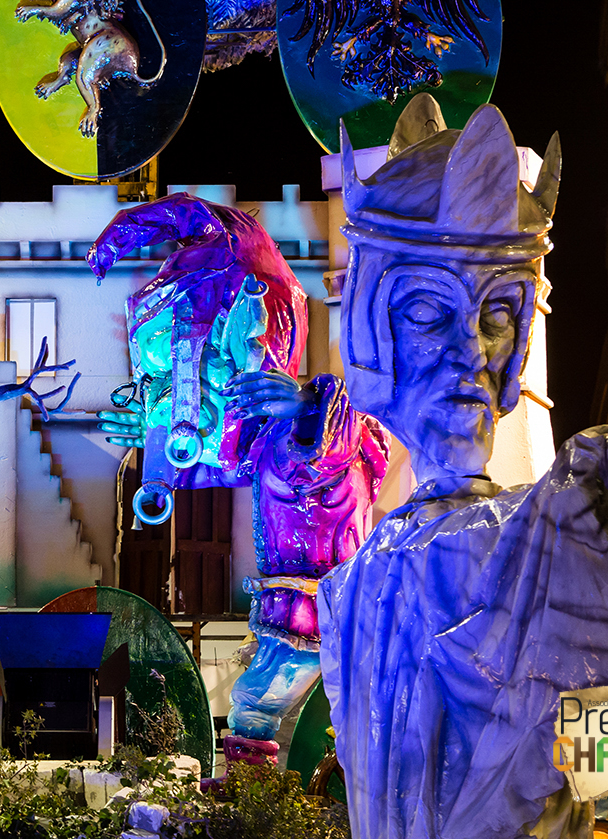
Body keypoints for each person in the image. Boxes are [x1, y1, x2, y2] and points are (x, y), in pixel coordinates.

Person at [319, 95, 608, 839]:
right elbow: (590, 739)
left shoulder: (512, 539)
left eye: (497, 315)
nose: (473, 351)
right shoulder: (359, 587)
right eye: (428, 313)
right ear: (374, 328)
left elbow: (579, 737)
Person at [89, 193, 388, 767]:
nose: (181, 387)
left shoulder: (311, 431)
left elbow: (336, 450)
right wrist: (159, 455)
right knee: (260, 707)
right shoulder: (261, 440)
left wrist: (308, 405)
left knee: (268, 703)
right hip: (305, 611)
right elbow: (222, 450)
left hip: (332, 608)